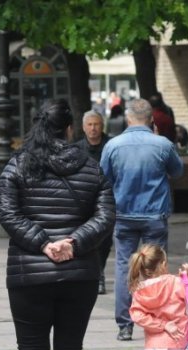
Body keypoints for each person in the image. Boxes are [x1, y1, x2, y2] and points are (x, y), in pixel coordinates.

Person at [0, 100, 115, 350]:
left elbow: (7, 212)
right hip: (78, 274)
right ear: (69, 129)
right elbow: (106, 216)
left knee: (31, 344)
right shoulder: (90, 167)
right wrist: (73, 243)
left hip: (28, 273)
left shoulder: (18, 164)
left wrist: (43, 244)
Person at [100, 98, 184, 342]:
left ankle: (125, 325)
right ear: (151, 120)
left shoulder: (113, 145)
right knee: (156, 267)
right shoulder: (162, 144)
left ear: (128, 119)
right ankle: (157, 320)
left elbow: (103, 178)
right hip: (154, 214)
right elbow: (177, 171)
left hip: (123, 214)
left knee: (123, 267)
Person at [74, 110, 112, 295]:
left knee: (104, 240)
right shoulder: (77, 149)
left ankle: (99, 271)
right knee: (86, 237)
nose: (93, 128)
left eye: (96, 124)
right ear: (84, 127)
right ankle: (93, 275)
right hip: (84, 199)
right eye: (89, 125)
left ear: (102, 125)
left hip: (106, 199)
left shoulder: (111, 145)